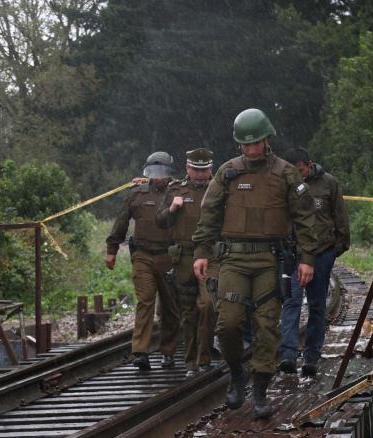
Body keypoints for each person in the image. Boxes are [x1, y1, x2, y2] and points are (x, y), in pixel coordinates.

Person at [192, 108, 319, 419]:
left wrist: (307, 259)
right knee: (229, 323)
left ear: (267, 139)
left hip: (270, 259)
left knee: (266, 326)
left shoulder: (286, 173)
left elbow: (305, 217)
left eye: (256, 143)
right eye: (245, 145)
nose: (251, 150)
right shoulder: (227, 172)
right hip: (233, 258)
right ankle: (237, 372)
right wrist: (201, 251)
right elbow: (208, 213)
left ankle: (260, 386)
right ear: (239, 145)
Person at [106, 151, 181, 371]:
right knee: (145, 300)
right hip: (142, 256)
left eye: (162, 173)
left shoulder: (178, 192)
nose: (158, 178)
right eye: (154, 173)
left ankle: (168, 351)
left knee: (170, 306)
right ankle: (140, 351)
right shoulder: (136, 194)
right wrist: (111, 249)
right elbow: (121, 222)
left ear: (169, 174)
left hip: (169, 256)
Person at [278, 147, 350, 377]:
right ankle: (288, 354)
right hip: (293, 254)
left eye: (301, 171)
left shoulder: (329, 183)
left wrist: (336, 249)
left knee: (317, 306)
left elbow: (340, 218)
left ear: (309, 164)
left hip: (321, 253)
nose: (298, 176)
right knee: (291, 302)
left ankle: (311, 356)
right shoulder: (283, 184)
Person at [156, 148, 216, 377]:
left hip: (211, 257)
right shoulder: (176, 190)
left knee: (207, 307)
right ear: (187, 169)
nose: (200, 174)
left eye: (205, 169)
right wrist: (172, 208)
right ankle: (191, 362)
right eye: (196, 170)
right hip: (183, 259)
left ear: (211, 168)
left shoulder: (218, 189)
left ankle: (205, 357)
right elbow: (160, 221)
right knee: (188, 313)